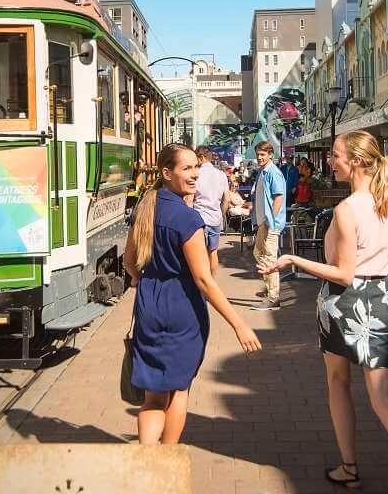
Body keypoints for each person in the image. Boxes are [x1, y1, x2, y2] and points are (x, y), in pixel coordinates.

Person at [259, 131, 388, 494]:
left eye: (336, 156)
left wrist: (292, 259)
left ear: (354, 161)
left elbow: (343, 273)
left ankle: (349, 468)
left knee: (338, 385)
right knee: (383, 399)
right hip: (380, 301)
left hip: (343, 302)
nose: (330, 161)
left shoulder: (347, 209)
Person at [122, 144, 262, 445]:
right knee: (179, 390)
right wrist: (239, 323)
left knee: (153, 397)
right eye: (187, 169)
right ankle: (166, 461)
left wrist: (138, 281)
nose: (195, 174)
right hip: (181, 307)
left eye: (195, 168)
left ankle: (147, 459)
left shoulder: (146, 208)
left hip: (149, 304)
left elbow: (128, 262)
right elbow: (203, 279)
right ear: (166, 172)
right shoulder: (187, 220)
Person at [246, 141, 287, 311]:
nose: (259, 158)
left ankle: (274, 297)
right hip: (263, 222)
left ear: (270, 155)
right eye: (258, 155)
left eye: (263, 154)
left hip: (270, 223)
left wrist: (272, 220)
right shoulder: (262, 172)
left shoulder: (273, 173)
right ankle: (270, 290)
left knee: (269, 258)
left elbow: (279, 197)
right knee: (259, 253)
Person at [194, 146, 230, 275]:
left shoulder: (196, 174)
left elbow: (189, 197)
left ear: (201, 157)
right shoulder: (221, 175)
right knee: (213, 252)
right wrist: (221, 214)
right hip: (215, 218)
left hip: (199, 218)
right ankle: (212, 281)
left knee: (199, 254)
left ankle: (202, 286)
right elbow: (227, 199)